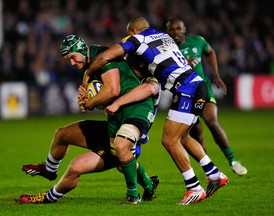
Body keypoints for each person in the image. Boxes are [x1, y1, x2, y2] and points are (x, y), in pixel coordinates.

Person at [82, 16, 229, 205]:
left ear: (133, 31)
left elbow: (104, 57)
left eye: (129, 35)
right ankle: (214, 174)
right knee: (182, 137)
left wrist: (87, 74)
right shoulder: (164, 37)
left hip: (188, 90)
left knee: (169, 139)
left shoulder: (136, 39)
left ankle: (194, 188)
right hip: (193, 86)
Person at [19, 35, 159, 205]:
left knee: (80, 165)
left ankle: (49, 198)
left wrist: (90, 102)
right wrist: (86, 96)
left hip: (133, 112)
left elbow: (112, 90)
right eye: (67, 59)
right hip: (115, 119)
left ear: (82, 49)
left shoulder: (103, 57)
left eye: (72, 57)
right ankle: (49, 169)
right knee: (63, 134)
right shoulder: (87, 68)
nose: (71, 62)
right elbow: (102, 97)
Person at [166, 18, 247, 176]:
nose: (175, 32)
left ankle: (232, 161)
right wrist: (183, 66)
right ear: (167, 32)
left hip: (203, 90)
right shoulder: (166, 50)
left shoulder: (197, 41)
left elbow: (210, 52)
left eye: (178, 28)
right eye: (171, 29)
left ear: (184, 29)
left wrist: (216, 75)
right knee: (196, 134)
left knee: (211, 120)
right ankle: (211, 170)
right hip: (185, 96)